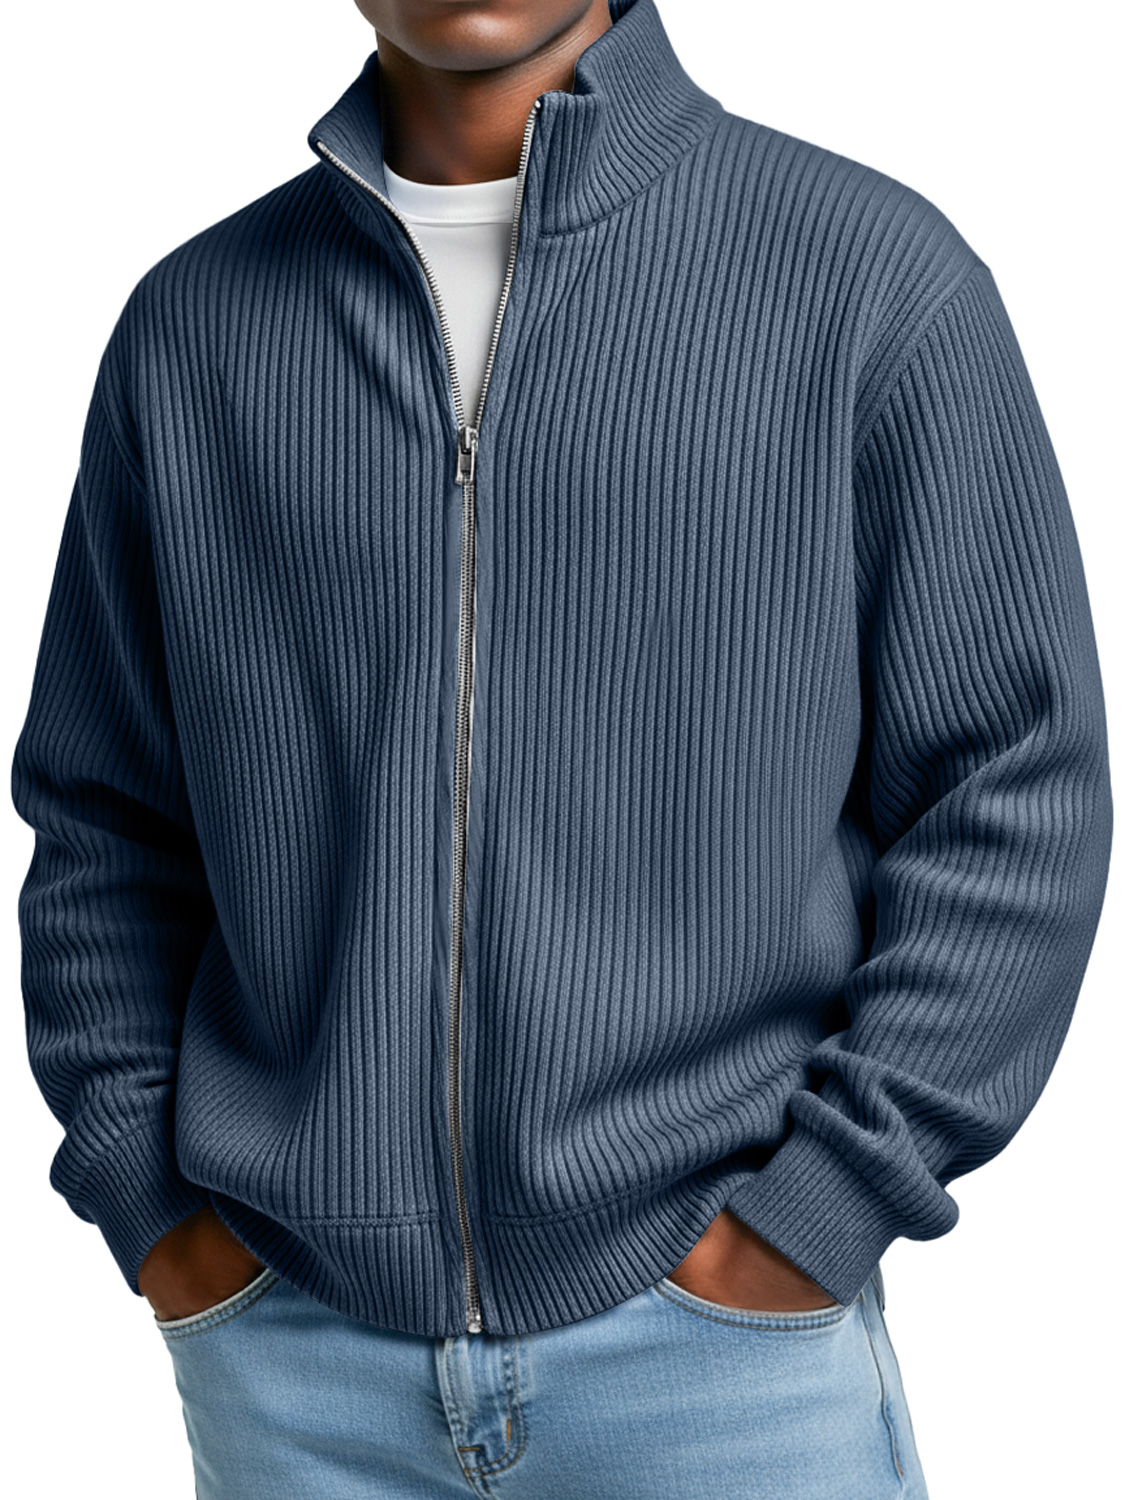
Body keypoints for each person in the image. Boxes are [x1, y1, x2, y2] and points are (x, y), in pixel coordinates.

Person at [10, 0, 1112, 1495]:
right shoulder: (195, 329)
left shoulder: (865, 279)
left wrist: (817, 1214)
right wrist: (156, 1210)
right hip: (297, 1375)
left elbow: (1013, 786)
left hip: (723, 1372)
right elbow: (105, 821)